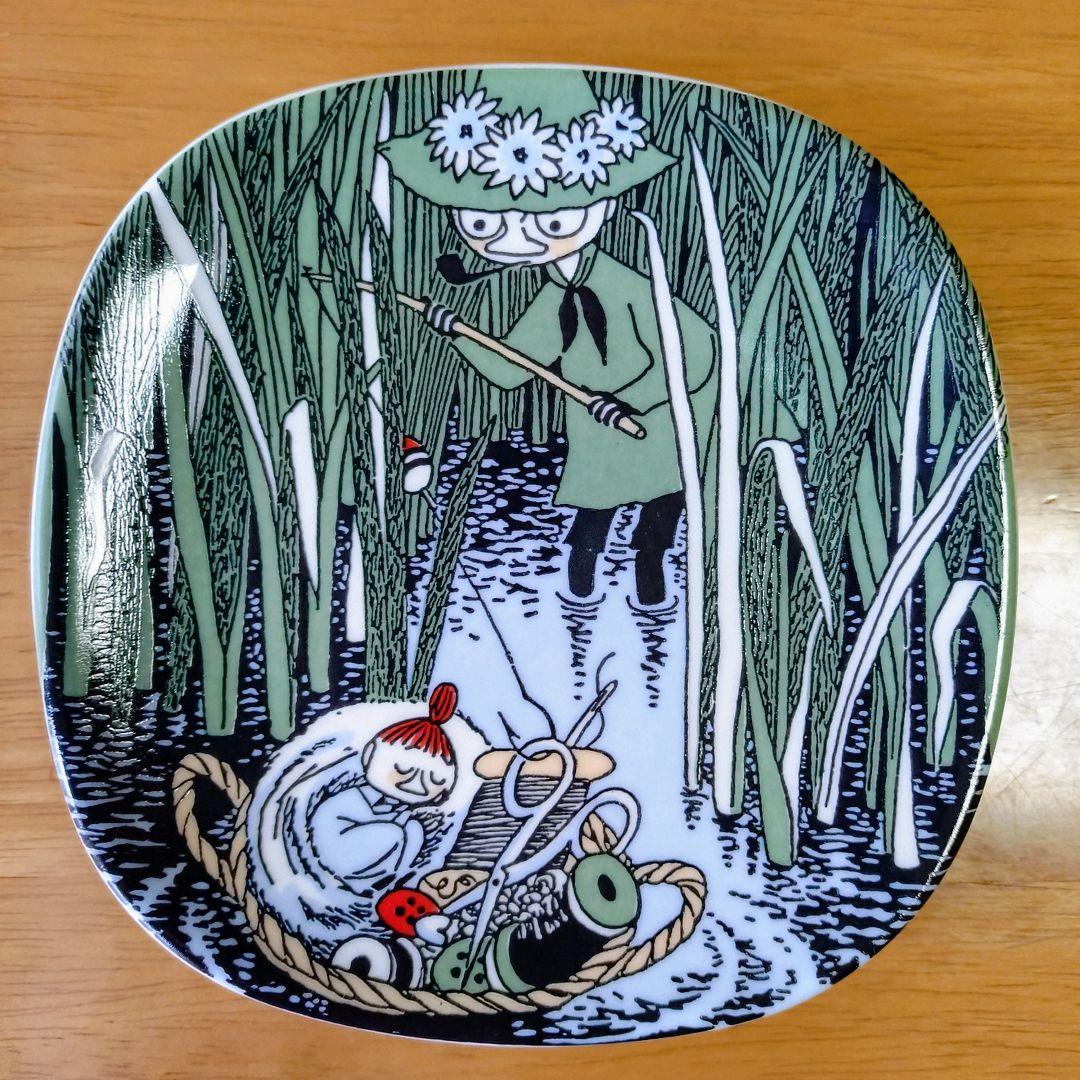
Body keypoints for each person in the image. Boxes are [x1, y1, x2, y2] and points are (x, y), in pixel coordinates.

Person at [381, 69, 717, 606]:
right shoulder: (553, 298)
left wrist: (628, 401)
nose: (516, 242)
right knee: (588, 530)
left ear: (604, 206)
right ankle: (577, 612)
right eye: (485, 224)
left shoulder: (632, 286)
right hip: (598, 434)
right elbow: (509, 369)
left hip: (666, 427)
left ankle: (652, 610)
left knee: (654, 534)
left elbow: (698, 355)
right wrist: (456, 331)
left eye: (552, 221)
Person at [245, 684, 462, 953]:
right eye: (403, 769)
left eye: (434, 780)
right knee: (401, 833)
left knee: (412, 832)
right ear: (369, 754)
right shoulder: (353, 799)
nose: (415, 785)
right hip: (332, 853)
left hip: (362, 877)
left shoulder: (405, 822)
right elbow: (327, 830)